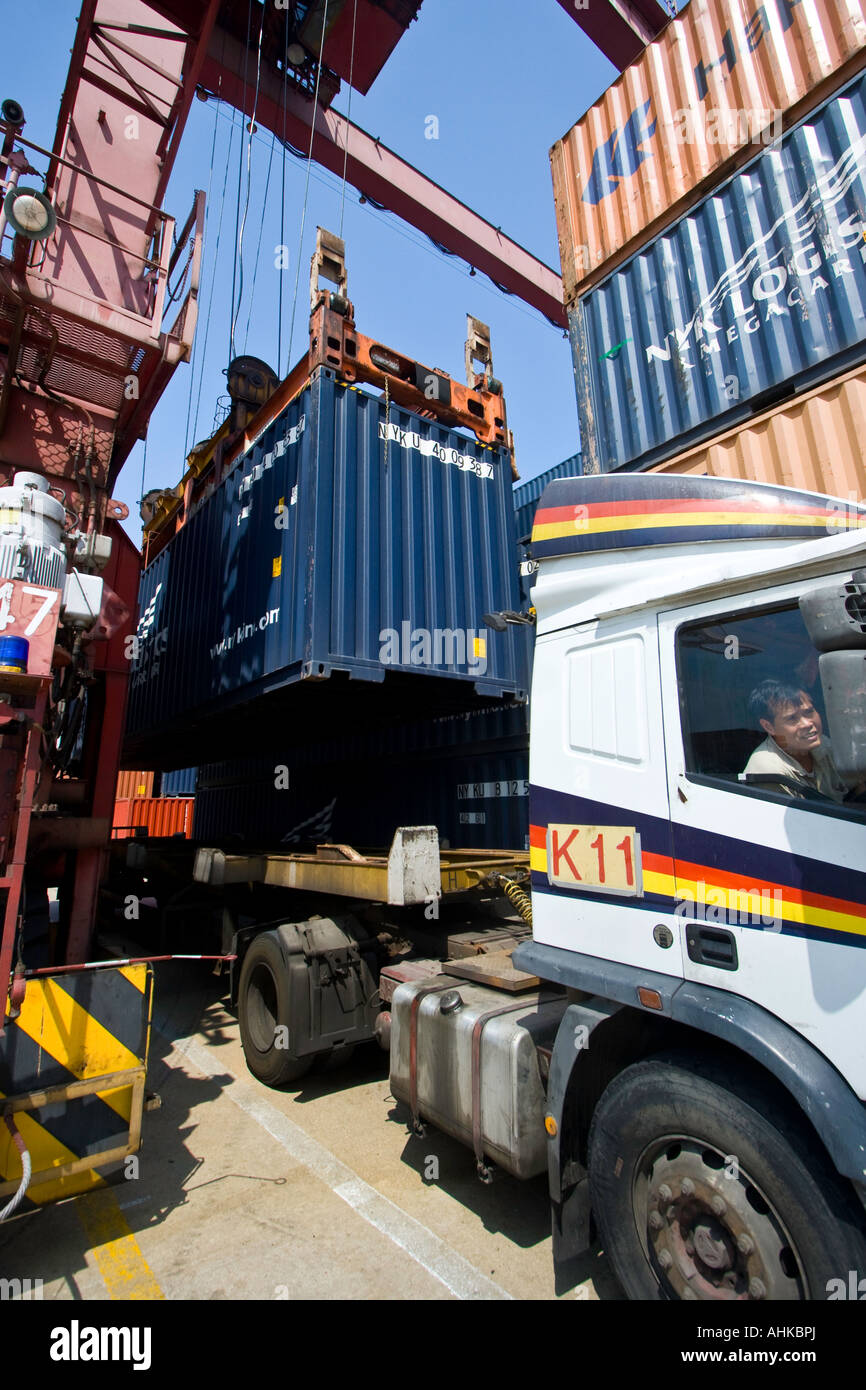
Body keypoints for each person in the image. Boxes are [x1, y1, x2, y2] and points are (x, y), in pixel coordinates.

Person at [742, 680, 849, 803]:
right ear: (768, 726)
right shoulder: (768, 771)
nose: (807, 724)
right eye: (792, 718)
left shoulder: (823, 744)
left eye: (809, 712)